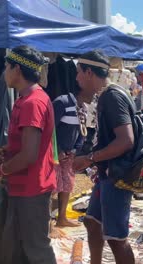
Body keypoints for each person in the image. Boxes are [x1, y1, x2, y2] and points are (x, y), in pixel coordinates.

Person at [72, 50, 135, 264]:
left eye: (78, 72)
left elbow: (126, 140)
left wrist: (89, 158)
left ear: (89, 72)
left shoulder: (112, 96)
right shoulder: (107, 95)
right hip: (107, 173)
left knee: (117, 239)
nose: (76, 78)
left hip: (116, 176)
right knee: (92, 221)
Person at [0, 46, 57, 263]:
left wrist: (2, 169)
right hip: (21, 186)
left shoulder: (33, 102)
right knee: (16, 248)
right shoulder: (25, 99)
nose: (4, 71)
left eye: (6, 66)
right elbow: (27, 147)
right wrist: (6, 151)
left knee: (36, 250)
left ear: (17, 69)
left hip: (31, 189)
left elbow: (29, 155)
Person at [52, 85, 92, 228]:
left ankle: (61, 218)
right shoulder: (62, 103)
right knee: (52, 186)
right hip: (55, 154)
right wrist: (58, 150)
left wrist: (75, 150)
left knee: (67, 185)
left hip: (69, 154)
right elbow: (49, 128)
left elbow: (82, 132)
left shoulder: (83, 109)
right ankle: (47, 223)